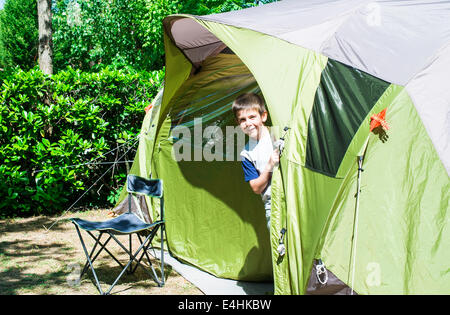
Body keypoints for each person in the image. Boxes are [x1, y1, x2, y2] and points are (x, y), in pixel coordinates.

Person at [232, 92, 279, 230]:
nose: (248, 123)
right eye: (243, 120)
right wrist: (269, 166)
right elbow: (256, 188)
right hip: (273, 205)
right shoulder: (246, 154)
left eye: (252, 117)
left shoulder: (278, 135)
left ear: (263, 116)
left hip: (294, 197)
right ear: (238, 123)